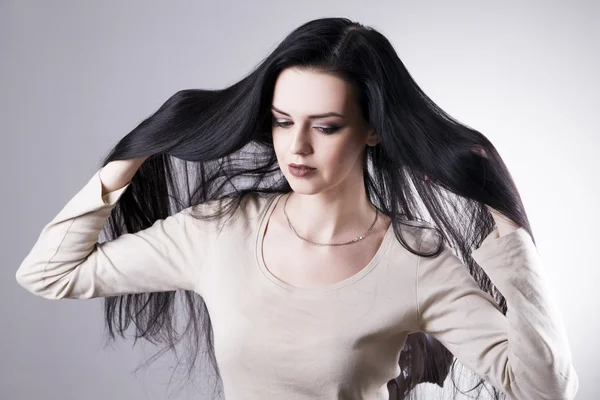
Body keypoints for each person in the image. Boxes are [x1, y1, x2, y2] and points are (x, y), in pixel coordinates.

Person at [15, 17, 578, 400]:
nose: (297, 147)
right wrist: (132, 153)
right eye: (283, 121)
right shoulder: (220, 231)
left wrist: (509, 231)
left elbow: (543, 388)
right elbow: (48, 273)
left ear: (374, 131)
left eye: (326, 126)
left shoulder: (418, 261)